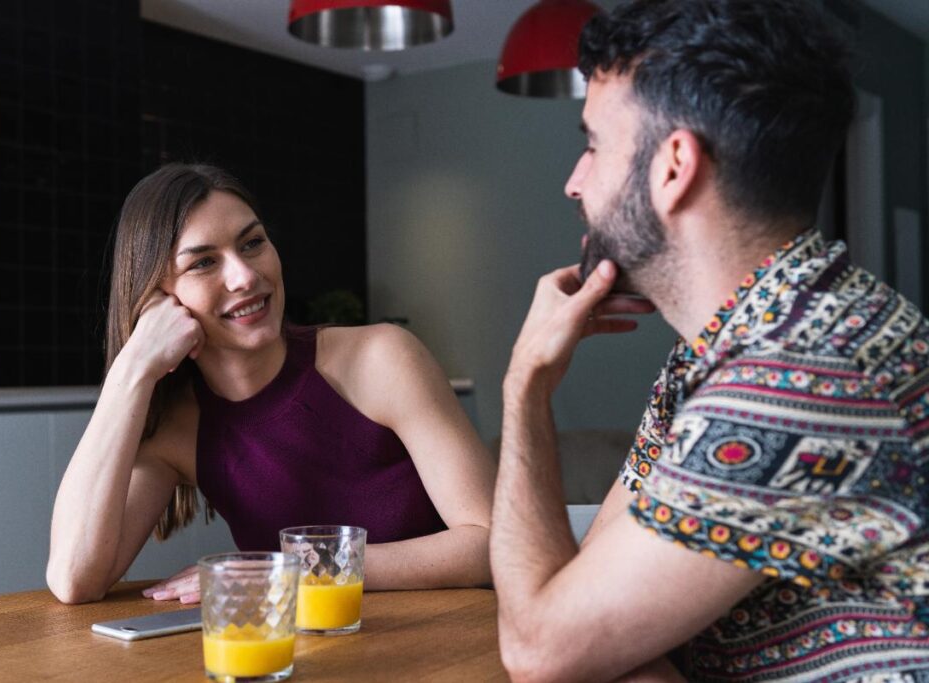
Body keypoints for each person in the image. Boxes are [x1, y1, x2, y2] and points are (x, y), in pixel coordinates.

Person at [491, 0, 929, 681]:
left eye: (593, 145)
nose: (573, 182)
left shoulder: (798, 372)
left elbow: (541, 648)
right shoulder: (725, 348)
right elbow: (586, 601)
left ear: (673, 169)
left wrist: (525, 389)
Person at [47, 163, 495, 605]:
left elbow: (491, 543)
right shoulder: (178, 433)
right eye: (203, 262)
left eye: (253, 243)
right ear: (158, 301)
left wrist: (294, 571)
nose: (244, 276)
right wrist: (132, 370)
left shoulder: (383, 359)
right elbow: (74, 579)